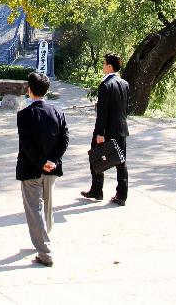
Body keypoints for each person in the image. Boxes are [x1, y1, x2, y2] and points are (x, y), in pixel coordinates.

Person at [16, 71, 69, 267]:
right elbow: (65, 140)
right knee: (47, 206)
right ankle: (44, 237)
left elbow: (26, 145)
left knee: (34, 209)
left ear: (30, 90)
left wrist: (40, 162)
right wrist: (52, 161)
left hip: (32, 168)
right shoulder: (58, 112)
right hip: (52, 168)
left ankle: (44, 250)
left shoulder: (24, 115)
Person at [81, 52, 129, 206]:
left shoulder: (105, 85)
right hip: (121, 129)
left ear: (109, 66)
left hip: (107, 130)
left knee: (95, 157)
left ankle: (97, 190)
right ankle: (122, 195)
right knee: (121, 163)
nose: (102, 66)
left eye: (104, 64)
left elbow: (102, 113)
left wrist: (100, 133)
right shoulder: (124, 83)